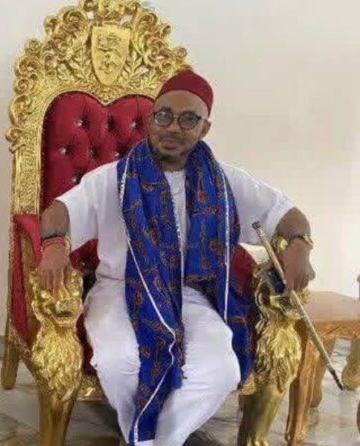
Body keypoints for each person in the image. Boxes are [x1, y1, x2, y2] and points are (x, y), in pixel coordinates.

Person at [36, 70, 314, 446]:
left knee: (221, 369)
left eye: (188, 119)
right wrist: (55, 245)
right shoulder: (115, 178)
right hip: (119, 289)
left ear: (204, 128)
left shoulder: (224, 181)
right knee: (119, 362)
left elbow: (286, 213)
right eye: (164, 115)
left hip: (191, 295)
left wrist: (299, 245)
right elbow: (59, 211)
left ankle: (150, 441)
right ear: (151, 119)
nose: (172, 127)